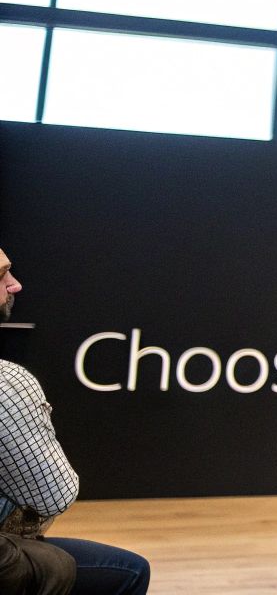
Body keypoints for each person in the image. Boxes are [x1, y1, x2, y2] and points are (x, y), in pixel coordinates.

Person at [0, 246, 151, 595]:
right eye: (2, 274)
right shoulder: (9, 383)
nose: (16, 284)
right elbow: (55, 495)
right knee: (129, 571)